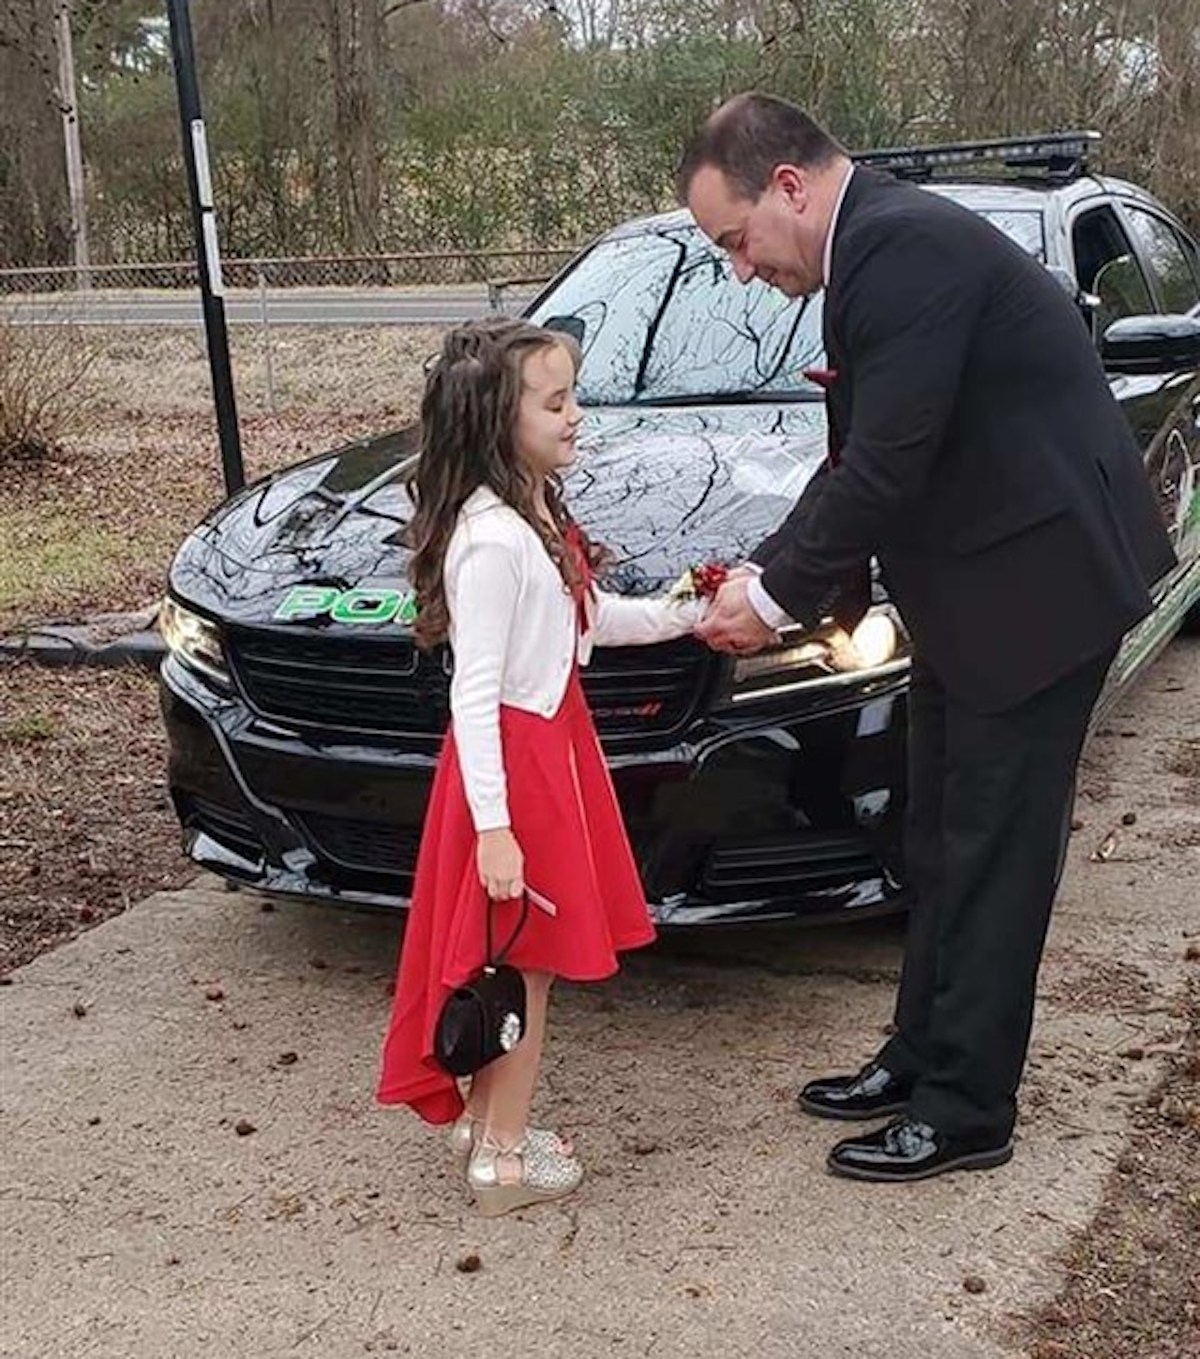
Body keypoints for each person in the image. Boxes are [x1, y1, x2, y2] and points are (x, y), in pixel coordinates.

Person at [678, 93, 1177, 1182]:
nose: (742, 268)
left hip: (1040, 590)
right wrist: (771, 571)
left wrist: (767, 608)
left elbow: (888, 465)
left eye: (736, 239)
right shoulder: (874, 249)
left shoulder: (899, 252)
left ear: (791, 189)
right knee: (939, 834)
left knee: (993, 854)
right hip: (975, 586)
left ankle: (966, 1110)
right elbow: (865, 457)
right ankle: (919, 1056)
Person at [376, 316, 707, 1216]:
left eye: (574, 396)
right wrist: (494, 826)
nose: (575, 415)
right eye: (555, 401)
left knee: (517, 959)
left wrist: (689, 612)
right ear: (493, 418)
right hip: (517, 774)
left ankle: (484, 1124)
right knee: (523, 967)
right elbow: (472, 696)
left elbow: (589, 623)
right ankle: (504, 1161)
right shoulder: (490, 544)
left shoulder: (534, 518)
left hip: (549, 756)